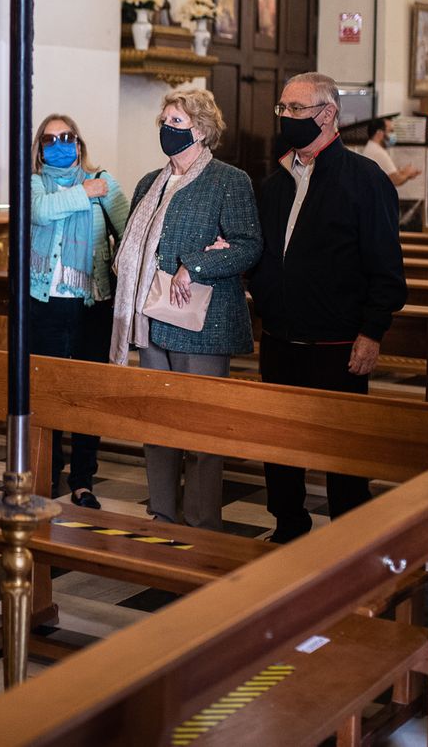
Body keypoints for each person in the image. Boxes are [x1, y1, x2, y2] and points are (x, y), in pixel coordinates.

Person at [250, 72, 405, 543]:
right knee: (279, 444)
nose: (286, 117)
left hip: (338, 341)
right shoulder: (275, 182)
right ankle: (288, 525)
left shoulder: (364, 179)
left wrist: (371, 331)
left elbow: (385, 267)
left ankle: (349, 538)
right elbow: (263, 251)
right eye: (283, 109)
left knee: (343, 452)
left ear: (328, 114)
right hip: (280, 337)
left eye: (296, 109)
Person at [109, 90, 261, 531]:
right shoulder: (148, 182)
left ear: (199, 129)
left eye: (175, 122)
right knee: (158, 425)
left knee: (200, 429)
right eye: (164, 121)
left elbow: (249, 247)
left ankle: (200, 521)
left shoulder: (229, 181)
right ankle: (162, 512)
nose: (166, 129)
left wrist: (195, 265)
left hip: (201, 324)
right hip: (152, 318)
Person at [29, 113, 130, 508]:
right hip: (44, 304)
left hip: (92, 304)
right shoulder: (35, 183)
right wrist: (87, 192)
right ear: (40, 148)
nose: (59, 144)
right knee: (49, 393)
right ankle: (46, 473)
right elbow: (40, 212)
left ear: (79, 143)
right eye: (50, 139)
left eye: (66, 137)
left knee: (87, 397)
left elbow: (129, 227)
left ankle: (83, 479)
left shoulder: (105, 180)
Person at [359, 116, 419, 186]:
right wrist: (408, 174)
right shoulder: (378, 152)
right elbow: (395, 180)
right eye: (391, 131)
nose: (393, 135)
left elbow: (388, 175)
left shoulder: (372, 147)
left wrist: (403, 173)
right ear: (379, 133)